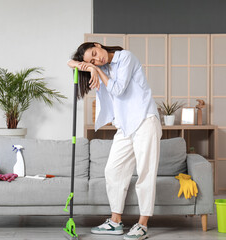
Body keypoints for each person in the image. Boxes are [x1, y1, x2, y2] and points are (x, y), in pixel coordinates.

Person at [68, 42, 162, 240]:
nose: (97, 59)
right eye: (92, 60)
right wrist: (90, 66)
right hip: (125, 126)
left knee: (145, 172)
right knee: (113, 170)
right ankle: (115, 222)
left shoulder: (125, 57)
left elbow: (118, 89)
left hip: (145, 120)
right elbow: (70, 62)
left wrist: (95, 69)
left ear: (98, 45)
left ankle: (143, 224)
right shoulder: (103, 67)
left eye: (95, 53)